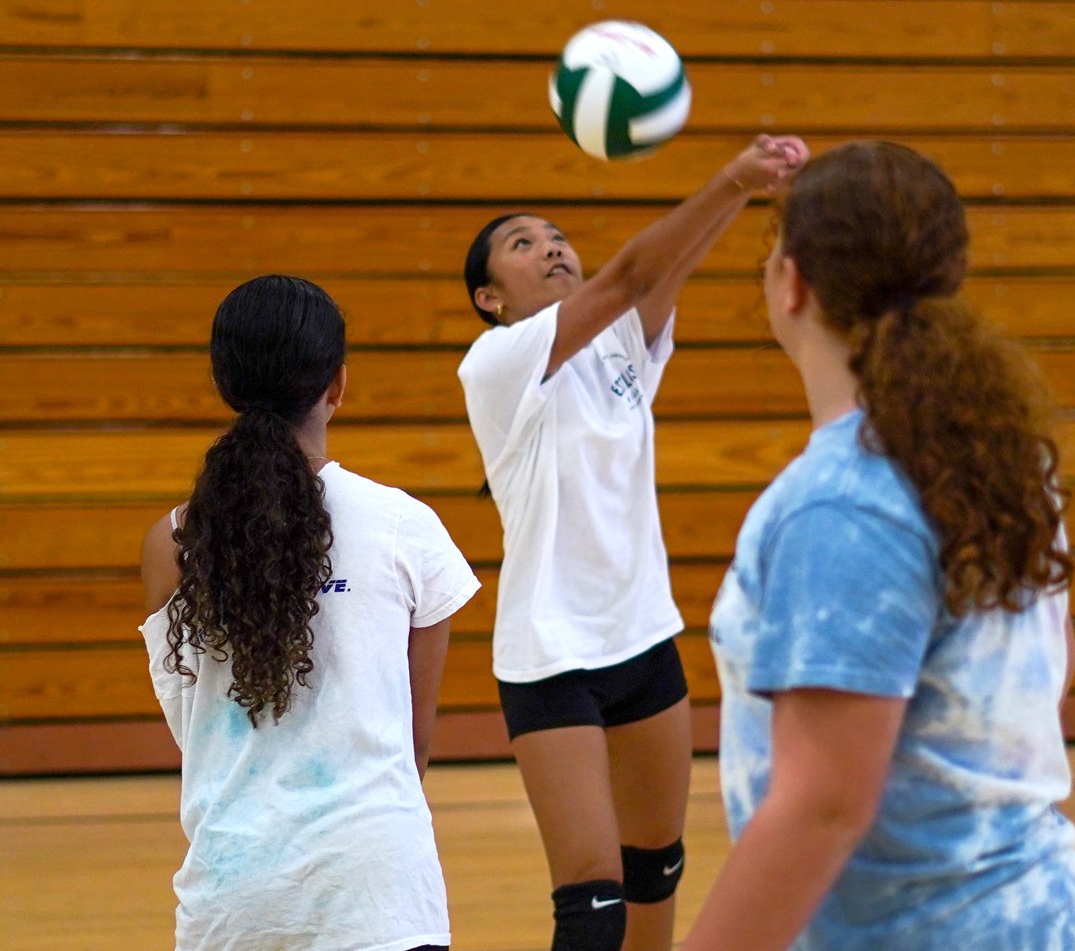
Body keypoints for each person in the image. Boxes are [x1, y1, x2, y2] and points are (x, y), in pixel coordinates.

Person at [681, 141, 1075, 950]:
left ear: (791, 281)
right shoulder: (995, 453)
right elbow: (1041, 678)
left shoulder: (844, 500)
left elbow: (823, 805)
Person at [456, 134, 808, 951]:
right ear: (488, 297)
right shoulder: (496, 362)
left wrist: (739, 197)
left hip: (643, 637)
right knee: (591, 898)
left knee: (655, 869)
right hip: (550, 656)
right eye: (523, 243)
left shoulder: (622, 345)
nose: (550, 247)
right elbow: (634, 273)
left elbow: (660, 274)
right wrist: (733, 178)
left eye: (556, 236)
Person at [139, 274, 480, 951]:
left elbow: (193, 727)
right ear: (336, 385)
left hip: (234, 900)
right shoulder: (405, 527)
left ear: (225, 382)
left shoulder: (173, 541)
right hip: (380, 895)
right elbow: (414, 740)